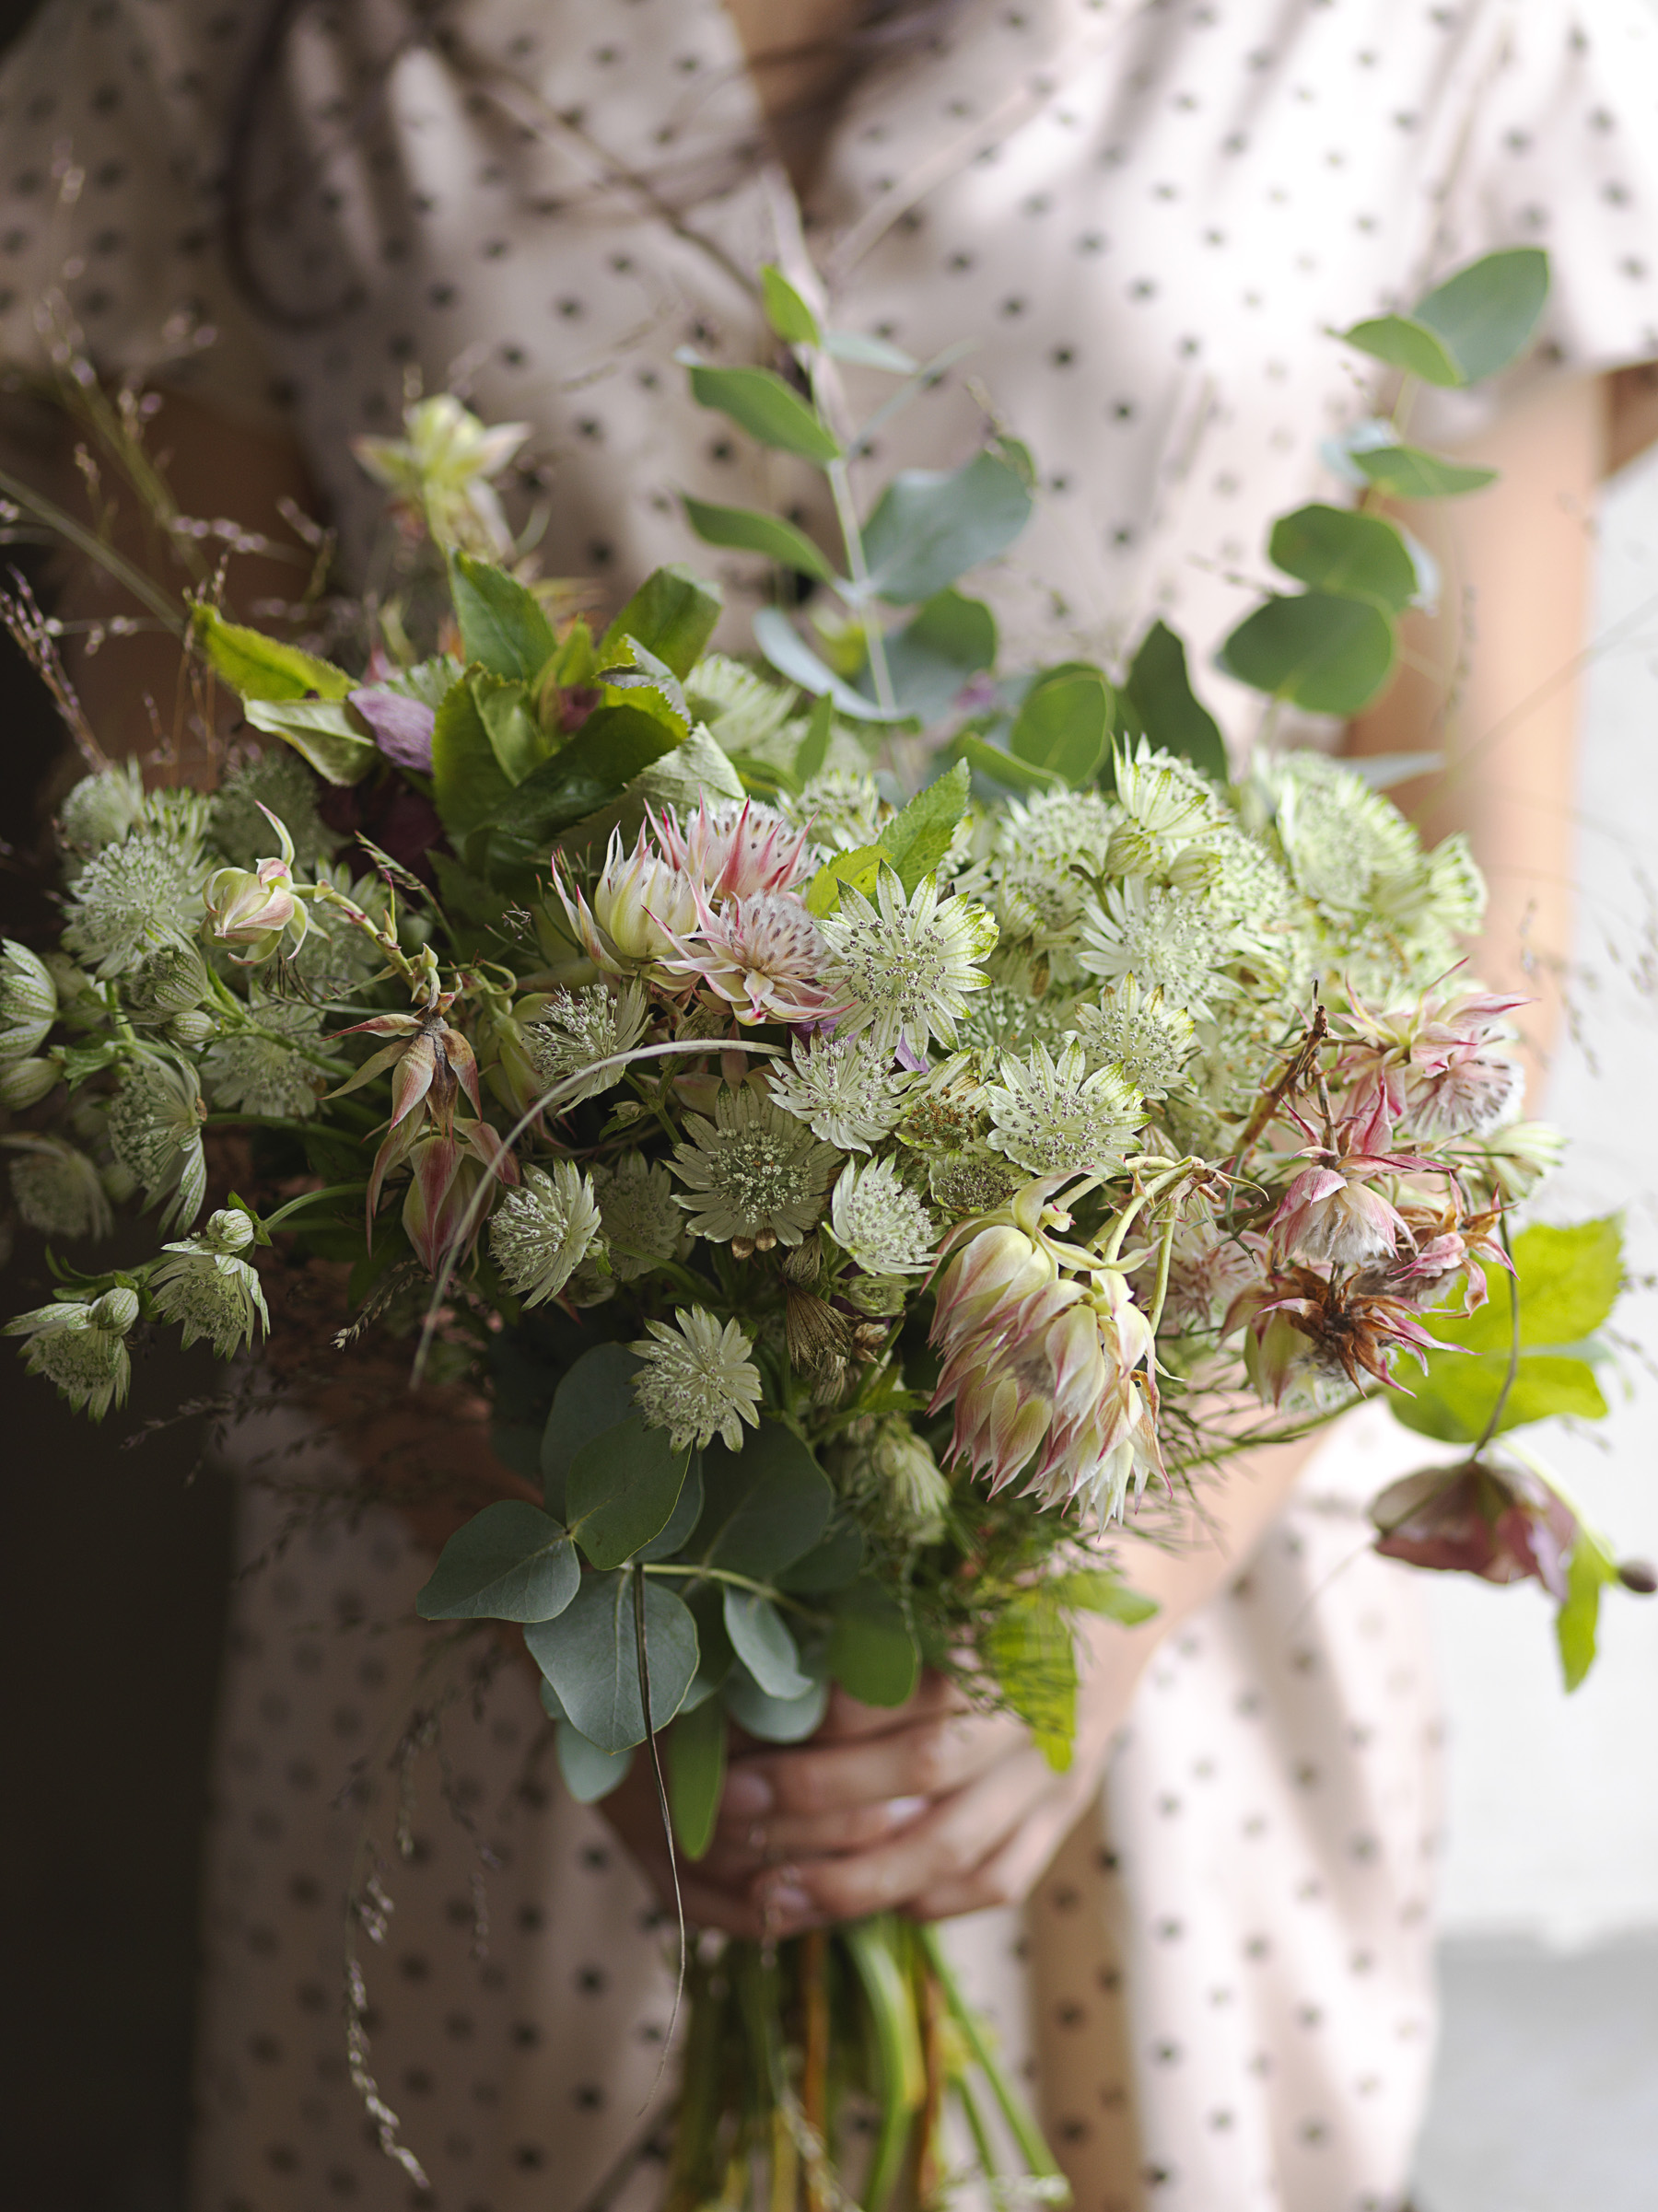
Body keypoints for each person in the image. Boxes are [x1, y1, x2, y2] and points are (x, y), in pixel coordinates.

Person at [3, 4, 1657, 2207]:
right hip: (476, 1524)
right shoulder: (211, 40)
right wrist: (567, 1572)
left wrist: (1094, 1607)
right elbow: (196, 894)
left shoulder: (1451, 38)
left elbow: (1479, 948)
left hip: (1159, 1563)